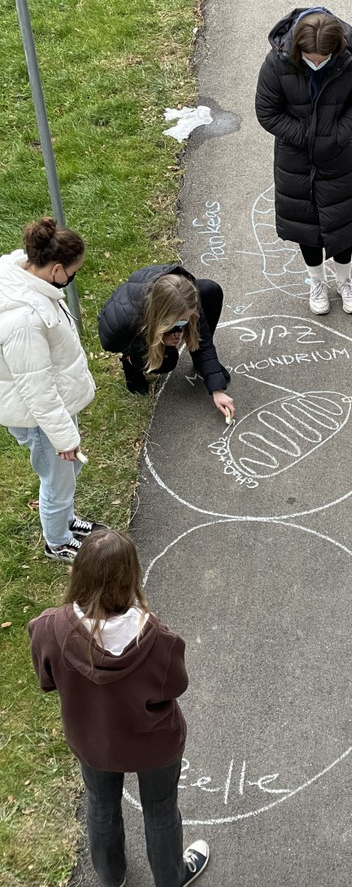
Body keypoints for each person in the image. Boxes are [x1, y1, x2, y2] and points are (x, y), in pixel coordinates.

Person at [28, 528, 210, 887]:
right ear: (131, 578)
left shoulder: (49, 628)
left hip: (93, 741)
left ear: (77, 574)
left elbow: (47, 680)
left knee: (100, 805)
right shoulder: (157, 639)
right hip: (153, 745)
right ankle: (170, 879)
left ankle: (112, 877)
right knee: (160, 811)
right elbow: (176, 686)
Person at [255, 6, 352, 316]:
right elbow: (268, 113)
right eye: (311, 58)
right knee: (305, 223)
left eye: (324, 59)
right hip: (295, 156)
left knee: (342, 220)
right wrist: (306, 136)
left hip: (339, 152)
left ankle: (345, 281)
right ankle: (316, 281)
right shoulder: (276, 63)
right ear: (298, 50)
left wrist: (336, 134)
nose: (317, 63)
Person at [0, 217, 103, 562]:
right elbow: (36, 388)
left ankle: (66, 520)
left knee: (66, 474)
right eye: (72, 272)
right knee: (57, 480)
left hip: (52, 405)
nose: (72, 279)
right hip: (38, 416)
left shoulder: (26, 278)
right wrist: (63, 438)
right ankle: (57, 541)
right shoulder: (25, 320)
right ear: (56, 269)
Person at [98, 265, 234, 421]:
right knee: (166, 362)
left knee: (211, 290)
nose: (188, 322)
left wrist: (217, 389)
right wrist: (161, 341)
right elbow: (109, 343)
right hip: (135, 332)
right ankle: (131, 365)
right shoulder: (123, 321)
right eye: (182, 321)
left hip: (160, 318)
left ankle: (199, 361)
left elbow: (203, 338)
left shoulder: (186, 295)